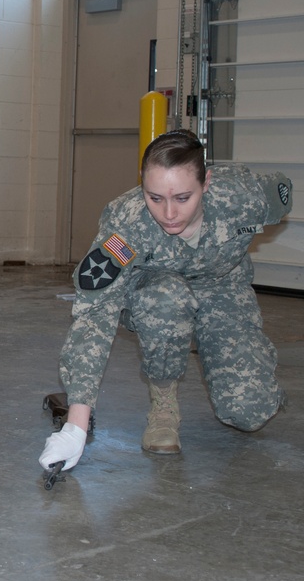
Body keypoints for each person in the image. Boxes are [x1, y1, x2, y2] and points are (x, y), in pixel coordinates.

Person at [40, 130, 293, 475]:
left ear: (207, 184)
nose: (169, 213)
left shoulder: (244, 195)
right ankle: (163, 405)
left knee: (250, 411)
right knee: (166, 298)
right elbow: (94, 314)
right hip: (158, 293)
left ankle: (254, 367)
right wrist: (76, 425)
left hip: (223, 288)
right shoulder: (127, 223)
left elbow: (283, 192)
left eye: (183, 197)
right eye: (155, 197)